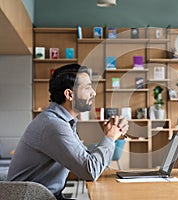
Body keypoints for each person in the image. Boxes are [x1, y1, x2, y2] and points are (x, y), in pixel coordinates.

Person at [8, 64, 129, 199]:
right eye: (88, 87)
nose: (93, 93)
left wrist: (111, 136)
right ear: (69, 94)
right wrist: (110, 136)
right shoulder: (54, 125)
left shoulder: (62, 122)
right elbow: (90, 171)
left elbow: (87, 160)